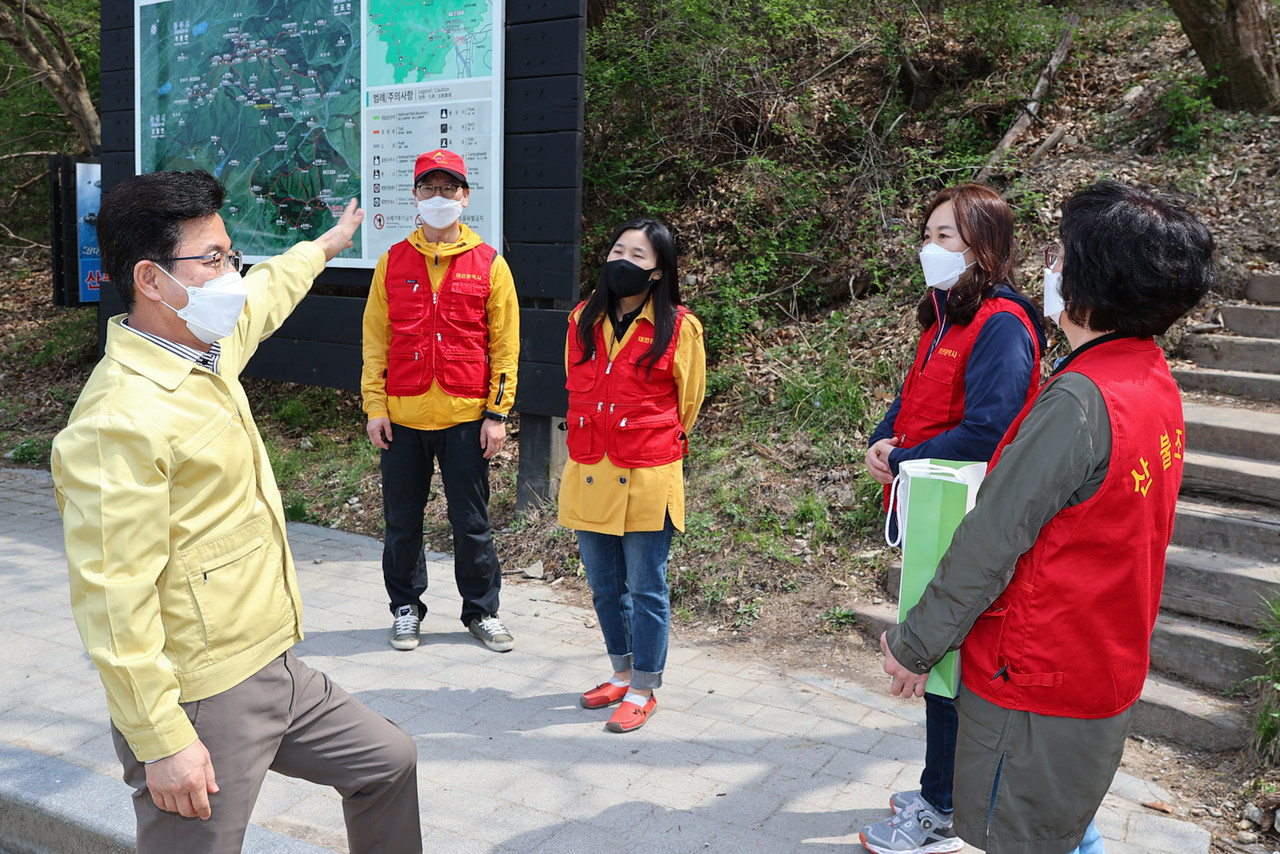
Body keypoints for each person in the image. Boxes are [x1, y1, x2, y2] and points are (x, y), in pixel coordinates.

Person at [50, 171, 421, 854]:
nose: (233, 274)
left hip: (275, 664)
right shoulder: (117, 421)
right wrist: (162, 741)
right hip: (201, 697)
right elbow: (112, 598)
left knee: (386, 763)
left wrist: (330, 242)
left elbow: (270, 290)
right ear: (152, 281)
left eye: (231, 255)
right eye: (214, 259)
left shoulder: (205, 349)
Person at [880, 180, 1216, 854]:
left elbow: (992, 539)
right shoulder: (1150, 377)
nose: (1050, 269)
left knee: (1024, 833)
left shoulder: (1080, 402)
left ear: (1094, 279)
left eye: (1060, 256)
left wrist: (916, 644)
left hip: (1038, 667)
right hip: (1101, 652)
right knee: (1061, 822)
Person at [860, 184, 1045, 854]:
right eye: (928, 234)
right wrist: (886, 443)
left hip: (967, 520)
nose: (929, 248)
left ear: (984, 248)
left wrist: (906, 454)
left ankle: (942, 805)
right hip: (931, 508)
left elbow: (991, 428)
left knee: (942, 659)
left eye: (947, 238)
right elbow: (910, 400)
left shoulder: (1001, 323)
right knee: (942, 659)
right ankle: (944, 788)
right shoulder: (944, 318)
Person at [361, 148, 519, 653]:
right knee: (401, 523)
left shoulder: (490, 264)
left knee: (471, 522)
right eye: (428, 188)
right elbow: (374, 342)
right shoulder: (392, 262)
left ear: (465, 196)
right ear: (414, 196)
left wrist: (497, 414)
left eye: (448, 188)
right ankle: (406, 609)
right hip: (402, 417)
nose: (438, 197)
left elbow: (505, 346)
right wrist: (375, 407)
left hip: (466, 418)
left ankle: (482, 612)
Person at [557, 218, 706, 733]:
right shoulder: (581, 319)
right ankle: (620, 674)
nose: (623, 261)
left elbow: (688, 405)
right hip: (590, 469)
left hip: (647, 473)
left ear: (659, 270)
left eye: (638, 255)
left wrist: (645, 435)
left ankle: (644, 687)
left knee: (645, 588)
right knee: (602, 586)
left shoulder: (679, 326)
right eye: (618, 249)